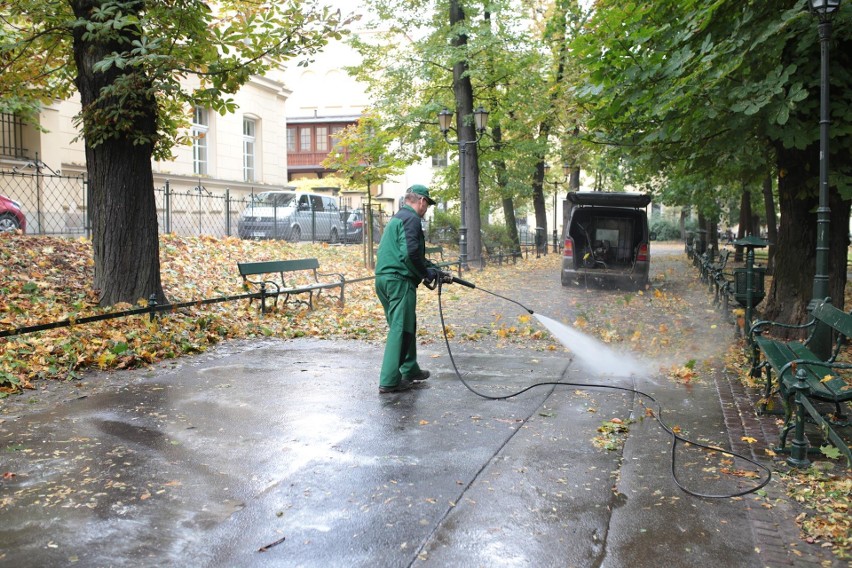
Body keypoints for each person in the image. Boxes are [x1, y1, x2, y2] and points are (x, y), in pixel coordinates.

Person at [374, 184, 441, 393]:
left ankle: (410, 369)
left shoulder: (398, 218)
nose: (426, 209)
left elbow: (409, 253)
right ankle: (389, 380)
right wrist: (425, 273)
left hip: (384, 280)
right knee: (400, 329)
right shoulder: (412, 219)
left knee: (406, 324)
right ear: (421, 201)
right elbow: (410, 254)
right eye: (427, 204)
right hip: (399, 281)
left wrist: (432, 268)